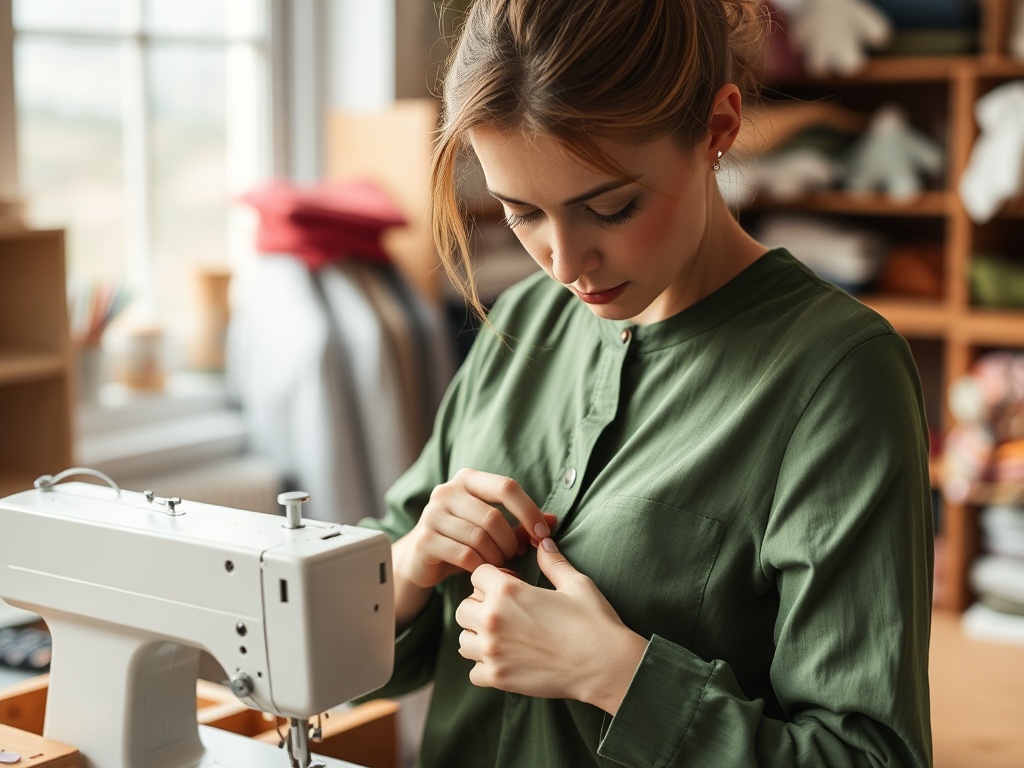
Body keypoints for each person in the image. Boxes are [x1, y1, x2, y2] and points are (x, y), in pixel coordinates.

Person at [358, 0, 934, 765]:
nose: (564, 264)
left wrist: (621, 679)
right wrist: (405, 569)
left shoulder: (836, 378)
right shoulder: (525, 319)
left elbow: (870, 755)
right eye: (520, 212)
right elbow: (368, 667)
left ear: (718, 129)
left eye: (611, 207)